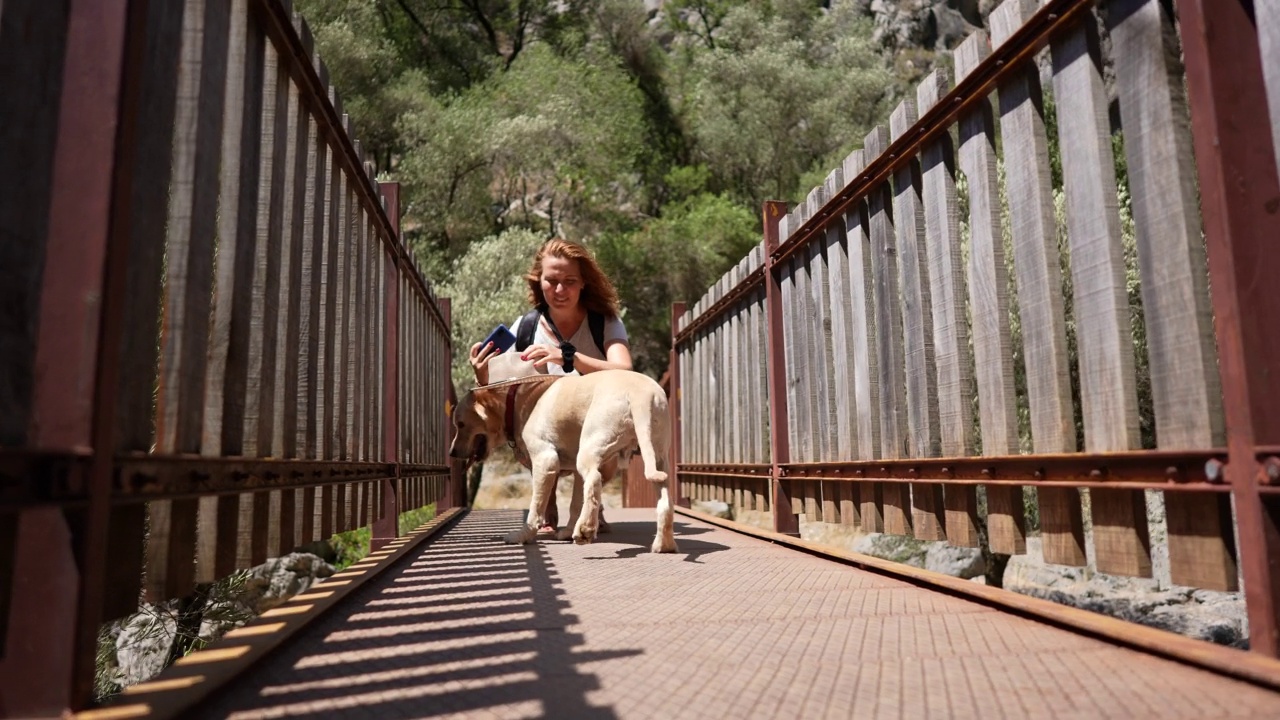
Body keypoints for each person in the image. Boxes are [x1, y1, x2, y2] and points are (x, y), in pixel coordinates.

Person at [469, 238, 633, 533]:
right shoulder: (527, 327)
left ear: (584, 283)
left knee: (601, 454)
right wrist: (482, 376)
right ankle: (547, 507)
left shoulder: (604, 322)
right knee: (534, 429)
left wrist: (568, 357)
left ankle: (589, 504)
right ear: (539, 281)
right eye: (552, 281)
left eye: (570, 281)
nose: (560, 290)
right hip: (547, 433)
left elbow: (624, 370)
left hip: (594, 426)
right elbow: (502, 391)